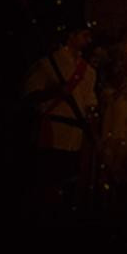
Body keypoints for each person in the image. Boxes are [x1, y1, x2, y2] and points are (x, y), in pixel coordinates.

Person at [22, 26, 99, 211]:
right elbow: (28, 95)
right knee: (46, 184)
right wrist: (55, 91)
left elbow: (90, 104)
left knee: (68, 184)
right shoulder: (47, 64)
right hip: (52, 132)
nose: (89, 40)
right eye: (84, 35)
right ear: (70, 36)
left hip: (75, 135)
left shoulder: (88, 71)